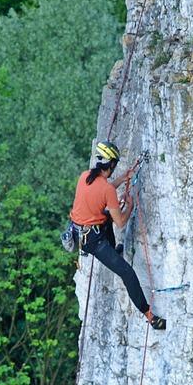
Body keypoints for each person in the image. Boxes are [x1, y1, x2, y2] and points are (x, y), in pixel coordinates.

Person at [69, 141, 166, 330]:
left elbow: (101, 192)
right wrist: (129, 206)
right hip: (93, 242)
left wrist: (122, 179)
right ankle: (150, 316)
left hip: (80, 230)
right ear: (111, 164)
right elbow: (120, 222)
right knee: (127, 272)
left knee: (106, 217)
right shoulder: (107, 190)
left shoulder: (85, 177)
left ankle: (114, 251)